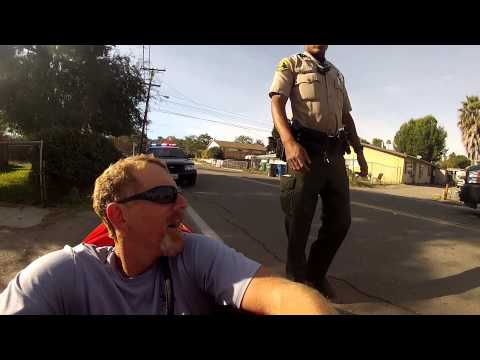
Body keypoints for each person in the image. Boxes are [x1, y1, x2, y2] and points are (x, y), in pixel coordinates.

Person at [0, 154, 336, 315]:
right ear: (119, 215)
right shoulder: (63, 273)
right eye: (164, 197)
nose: (181, 205)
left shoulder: (195, 253)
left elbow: (280, 295)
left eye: (178, 193)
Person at [269, 45, 368, 298]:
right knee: (298, 222)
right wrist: (289, 143)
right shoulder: (290, 64)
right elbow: (277, 102)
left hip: (334, 154)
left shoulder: (337, 74)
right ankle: (296, 281)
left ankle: (315, 274)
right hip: (305, 151)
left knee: (340, 222)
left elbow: (346, 116)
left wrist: (359, 152)